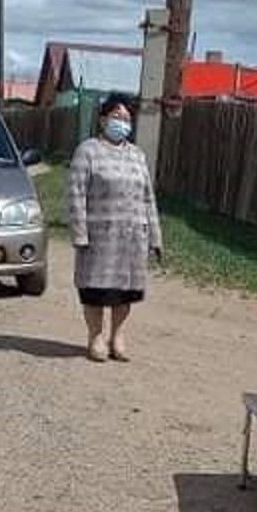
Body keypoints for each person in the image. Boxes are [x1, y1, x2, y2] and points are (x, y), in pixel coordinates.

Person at [68, 93, 163, 362]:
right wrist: (79, 233)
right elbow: (75, 194)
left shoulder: (137, 155)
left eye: (126, 118)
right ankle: (96, 336)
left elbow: (148, 197)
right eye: (116, 117)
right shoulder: (88, 151)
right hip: (99, 238)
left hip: (132, 239)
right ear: (102, 119)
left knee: (125, 293)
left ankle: (117, 335)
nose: (121, 122)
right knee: (96, 291)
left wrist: (155, 237)